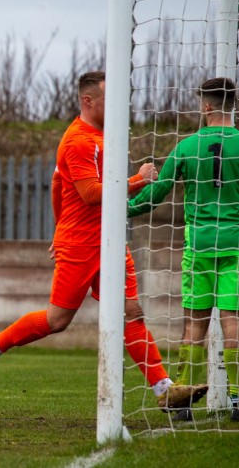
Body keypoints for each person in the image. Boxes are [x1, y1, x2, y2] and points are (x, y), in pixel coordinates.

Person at [0, 71, 209, 412]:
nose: (118, 106)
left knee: (132, 313)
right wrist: (137, 180)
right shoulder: (79, 140)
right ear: (88, 101)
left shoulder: (104, 137)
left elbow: (56, 183)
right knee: (57, 321)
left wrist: (58, 225)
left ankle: (164, 389)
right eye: (110, 99)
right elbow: (91, 194)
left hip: (109, 240)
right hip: (81, 244)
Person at [128, 77, 239, 422]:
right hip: (235, 244)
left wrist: (125, 207)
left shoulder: (186, 146)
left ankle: (183, 400)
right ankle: (237, 399)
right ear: (232, 105)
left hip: (199, 247)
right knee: (233, 319)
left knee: (194, 323)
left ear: (206, 106)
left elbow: (158, 192)